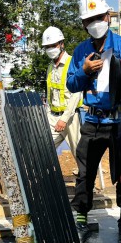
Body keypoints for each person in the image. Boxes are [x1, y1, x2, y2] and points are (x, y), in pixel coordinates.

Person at [66, 0, 121, 243]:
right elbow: (71, 84)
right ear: (84, 24)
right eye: (89, 19)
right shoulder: (80, 52)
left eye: (99, 16)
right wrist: (85, 72)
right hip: (93, 121)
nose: (95, 22)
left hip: (119, 122)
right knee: (85, 172)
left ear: (108, 16)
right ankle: (82, 219)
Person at [41, 26, 83, 165]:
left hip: (71, 118)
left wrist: (64, 119)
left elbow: (76, 94)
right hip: (53, 117)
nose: (50, 49)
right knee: (44, 150)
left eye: (53, 45)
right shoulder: (50, 66)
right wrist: (48, 115)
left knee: (80, 154)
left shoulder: (73, 63)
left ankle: (88, 184)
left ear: (62, 44)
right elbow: (50, 95)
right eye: (47, 46)